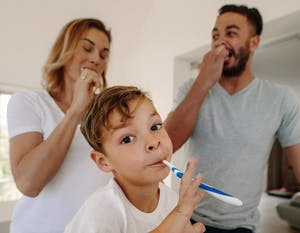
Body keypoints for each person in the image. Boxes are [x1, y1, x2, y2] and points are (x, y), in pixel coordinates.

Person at [164, 4, 300, 233]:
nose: (220, 42)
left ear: (254, 42)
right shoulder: (191, 87)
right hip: (187, 217)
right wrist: (203, 82)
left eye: (231, 33)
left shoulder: (281, 98)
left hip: (240, 227)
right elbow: (167, 144)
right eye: (215, 35)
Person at [7, 18, 112, 233]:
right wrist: (75, 111)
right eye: (87, 48)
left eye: (103, 54)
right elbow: (28, 183)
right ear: (65, 50)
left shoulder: (107, 116)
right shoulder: (29, 102)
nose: (96, 59)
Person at [64, 85, 206, 233]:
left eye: (155, 126)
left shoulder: (171, 200)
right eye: (127, 139)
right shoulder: (102, 211)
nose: (153, 142)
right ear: (103, 161)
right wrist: (179, 215)